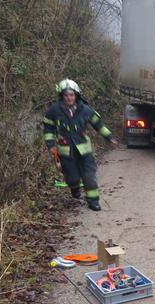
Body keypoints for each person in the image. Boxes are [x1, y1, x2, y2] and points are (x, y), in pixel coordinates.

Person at [43, 79, 117, 211]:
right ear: (61, 96)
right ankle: (74, 188)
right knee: (72, 177)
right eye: (66, 95)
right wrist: (51, 146)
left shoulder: (85, 109)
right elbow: (48, 129)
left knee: (89, 176)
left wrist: (109, 137)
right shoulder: (53, 111)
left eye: (71, 95)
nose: (69, 98)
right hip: (66, 151)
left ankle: (93, 201)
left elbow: (98, 125)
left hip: (85, 150)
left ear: (76, 95)